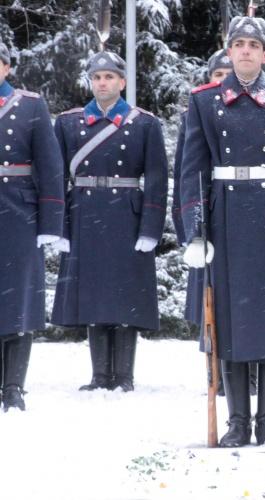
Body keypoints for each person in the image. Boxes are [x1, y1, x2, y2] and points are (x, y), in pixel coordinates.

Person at [179, 15, 265, 447]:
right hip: (225, 216)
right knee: (228, 319)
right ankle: (238, 419)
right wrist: (195, 227)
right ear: (228, 50)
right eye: (237, 43)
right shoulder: (204, 101)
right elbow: (192, 170)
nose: (244, 51)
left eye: (252, 45)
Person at [52, 50, 168, 393]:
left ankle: (125, 376)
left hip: (126, 215)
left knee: (126, 296)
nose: (102, 83)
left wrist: (150, 228)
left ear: (122, 81)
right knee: (93, 295)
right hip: (84, 214)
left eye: (109, 77)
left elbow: (158, 179)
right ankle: (100, 376)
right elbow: (56, 177)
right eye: (97, 77)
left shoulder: (145, 123)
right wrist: (60, 227)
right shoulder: (68, 122)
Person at [171, 49, 257, 397]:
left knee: (251, 301)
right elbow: (186, 174)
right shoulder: (200, 112)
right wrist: (190, 228)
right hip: (212, 220)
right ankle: (216, 371)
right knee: (214, 303)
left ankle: (250, 370)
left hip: (248, 217)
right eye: (218, 76)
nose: (224, 81)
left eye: (228, 74)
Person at [0, 42, 65, 411]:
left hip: (18, 213)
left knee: (18, 300)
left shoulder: (31, 105)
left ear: (8, 67)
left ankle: (13, 386)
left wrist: (50, 221)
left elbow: (51, 166)